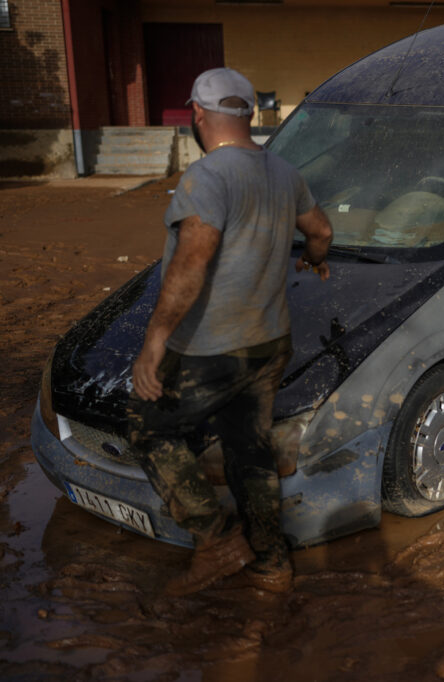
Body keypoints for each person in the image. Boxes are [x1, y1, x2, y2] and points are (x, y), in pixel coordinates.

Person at [127, 67, 334, 595]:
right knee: (250, 449)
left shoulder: (207, 177)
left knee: (149, 429)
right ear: (248, 113)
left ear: (198, 115)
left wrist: (154, 341)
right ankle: (271, 564)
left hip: (210, 348)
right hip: (269, 343)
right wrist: (313, 261)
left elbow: (193, 259)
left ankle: (218, 543)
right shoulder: (285, 172)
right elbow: (322, 231)